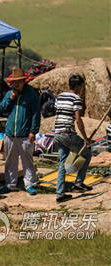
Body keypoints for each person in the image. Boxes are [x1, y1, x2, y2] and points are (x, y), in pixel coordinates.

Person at [0, 68, 41, 196]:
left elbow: (36, 114)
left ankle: (30, 184)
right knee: (10, 160)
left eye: (17, 82)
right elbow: (2, 108)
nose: (15, 85)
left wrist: (33, 131)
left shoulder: (31, 94)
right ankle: (10, 184)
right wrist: (10, 99)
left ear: (23, 81)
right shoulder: (10, 93)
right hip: (11, 133)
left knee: (27, 160)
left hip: (25, 134)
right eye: (13, 82)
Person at [54, 74, 92, 203]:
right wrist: (86, 139)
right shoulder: (76, 98)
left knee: (62, 163)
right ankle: (79, 183)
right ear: (78, 86)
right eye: (81, 87)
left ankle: (60, 193)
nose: (82, 90)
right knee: (87, 152)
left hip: (58, 134)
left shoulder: (60, 97)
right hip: (68, 133)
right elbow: (77, 119)